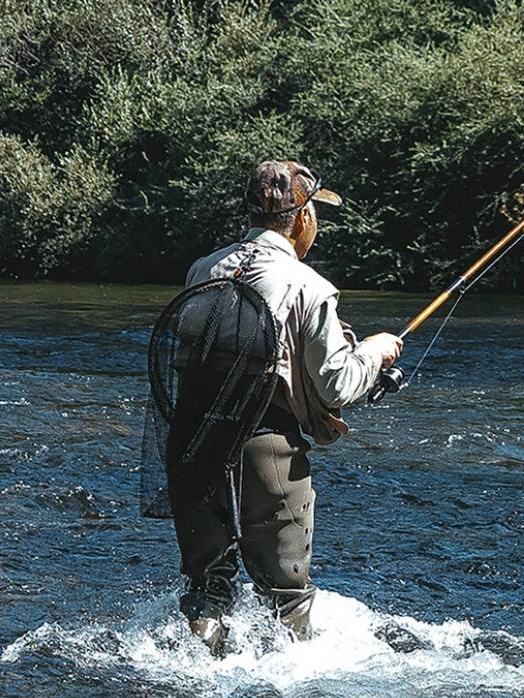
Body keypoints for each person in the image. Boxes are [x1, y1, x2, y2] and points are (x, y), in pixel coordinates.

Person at [170, 160, 404, 651]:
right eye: (316, 211)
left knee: (207, 590)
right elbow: (336, 385)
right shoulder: (309, 285)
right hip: (266, 449)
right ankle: (284, 686)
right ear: (301, 220)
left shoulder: (202, 268)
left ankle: (191, 670)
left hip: (192, 442)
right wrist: (376, 350)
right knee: (287, 597)